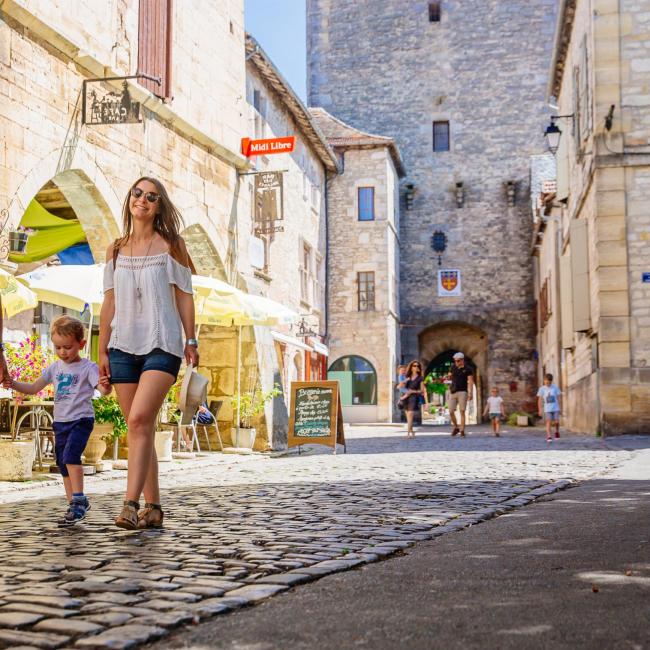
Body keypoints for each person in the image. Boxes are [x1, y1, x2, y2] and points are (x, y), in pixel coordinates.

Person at [99, 176, 198, 530]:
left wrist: (192, 339)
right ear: (130, 198)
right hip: (122, 345)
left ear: (159, 206)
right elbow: (108, 303)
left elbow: (185, 295)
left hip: (163, 342)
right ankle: (153, 507)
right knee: (140, 428)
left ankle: (129, 504)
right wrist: (102, 353)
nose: (142, 199)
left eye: (151, 197)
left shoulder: (172, 245)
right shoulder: (115, 250)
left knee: (140, 421)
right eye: (137, 193)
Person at [4, 316, 110, 525]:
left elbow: (102, 389)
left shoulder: (88, 368)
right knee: (62, 463)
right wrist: (13, 383)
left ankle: (79, 500)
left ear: (81, 344)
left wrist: (106, 386)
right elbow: (34, 388)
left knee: (71, 457)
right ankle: (73, 503)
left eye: (68, 347)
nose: (62, 352)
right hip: (60, 422)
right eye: (58, 347)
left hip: (81, 420)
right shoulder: (54, 368)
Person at [398, 360, 428, 438]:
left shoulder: (420, 378)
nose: (416, 367)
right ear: (411, 367)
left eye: (417, 366)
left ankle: (408, 434)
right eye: (414, 365)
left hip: (414, 397)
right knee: (408, 416)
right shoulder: (407, 376)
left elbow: (421, 390)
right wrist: (404, 382)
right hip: (406, 397)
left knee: (410, 414)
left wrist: (413, 391)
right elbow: (400, 386)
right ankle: (411, 431)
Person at [449, 352, 474, 437]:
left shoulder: (468, 369)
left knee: (462, 411)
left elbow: (470, 381)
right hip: (453, 392)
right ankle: (456, 427)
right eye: (455, 361)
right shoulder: (453, 367)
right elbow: (450, 376)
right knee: (451, 411)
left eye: (458, 361)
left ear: (462, 360)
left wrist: (470, 393)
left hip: (463, 391)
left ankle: (462, 430)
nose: (456, 362)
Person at [537, 373, 561, 442]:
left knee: (557, 422)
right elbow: (540, 400)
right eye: (546, 382)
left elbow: (559, 398)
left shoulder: (555, 387)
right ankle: (549, 436)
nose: (548, 384)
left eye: (549, 382)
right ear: (544, 381)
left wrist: (560, 407)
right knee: (548, 421)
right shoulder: (542, 389)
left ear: (551, 381)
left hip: (555, 408)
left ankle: (557, 432)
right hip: (547, 409)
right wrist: (540, 409)